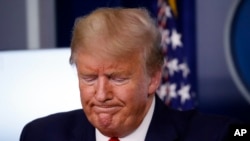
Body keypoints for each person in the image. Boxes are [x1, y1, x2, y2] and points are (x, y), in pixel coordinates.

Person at [20, 7, 237, 141]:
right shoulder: (40, 135)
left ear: (153, 78)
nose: (101, 95)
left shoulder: (218, 135)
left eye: (117, 78)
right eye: (89, 78)